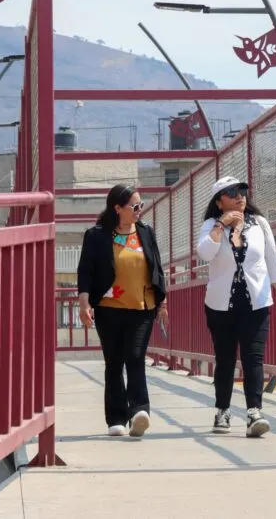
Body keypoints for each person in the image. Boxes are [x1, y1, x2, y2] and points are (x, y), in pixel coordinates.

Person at [196, 176, 276, 438]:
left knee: (253, 357)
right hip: (221, 305)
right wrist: (221, 225)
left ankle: (254, 413)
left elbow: (272, 260)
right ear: (219, 201)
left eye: (243, 191)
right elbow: (204, 253)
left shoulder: (259, 224)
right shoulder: (209, 226)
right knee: (225, 359)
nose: (240, 196)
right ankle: (223, 410)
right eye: (232, 192)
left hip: (256, 301)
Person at [77, 184, 168, 438]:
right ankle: (116, 417)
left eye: (141, 204)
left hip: (143, 307)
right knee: (114, 362)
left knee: (136, 356)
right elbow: (86, 272)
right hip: (109, 308)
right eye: (135, 206)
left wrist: (163, 303)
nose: (140, 210)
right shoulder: (96, 236)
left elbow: (157, 269)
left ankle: (139, 410)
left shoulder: (145, 232)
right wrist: (85, 304)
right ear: (117, 208)